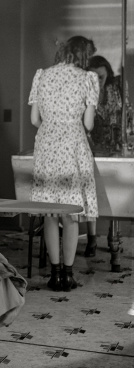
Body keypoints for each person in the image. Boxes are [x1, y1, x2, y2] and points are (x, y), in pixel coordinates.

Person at [28, 35, 99, 292]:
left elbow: (35, 119)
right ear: (83, 55)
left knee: (50, 214)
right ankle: (67, 276)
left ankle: (54, 274)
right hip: (72, 145)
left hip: (46, 145)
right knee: (71, 214)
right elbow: (88, 124)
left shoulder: (42, 75)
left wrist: (52, 126)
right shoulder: (87, 78)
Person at [84, 55, 122, 257]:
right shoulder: (83, 89)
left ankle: (112, 236)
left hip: (108, 144)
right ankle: (91, 239)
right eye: (95, 77)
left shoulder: (112, 91)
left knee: (111, 195)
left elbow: (116, 115)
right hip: (88, 145)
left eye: (102, 77)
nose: (99, 81)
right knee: (91, 194)